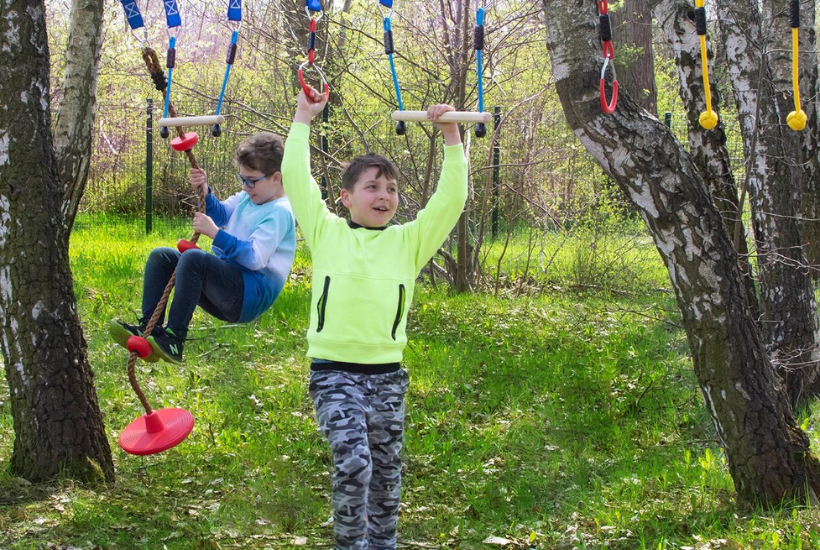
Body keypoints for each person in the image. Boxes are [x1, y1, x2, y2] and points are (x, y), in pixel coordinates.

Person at [281, 86, 468, 550]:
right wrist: (304, 116)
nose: (384, 195)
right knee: (354, 462)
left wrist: (451, 135)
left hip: (387, 377)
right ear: (345, 198)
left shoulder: (408, 242)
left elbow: (451, 200)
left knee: (385, 476)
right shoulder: (325, 232)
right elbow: (295, 176)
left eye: (391, 189)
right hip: (333, 373)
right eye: (372, 187)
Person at [109, 131, 296, 364]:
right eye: (242, 179)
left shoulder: (280, 212)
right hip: (230, 284)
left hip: (248, 296)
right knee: (162, 257)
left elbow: (254, 258)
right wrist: (205, 190)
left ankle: (174, 339)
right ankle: (149, 329)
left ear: (276, 178)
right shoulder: (249, 197)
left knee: (194, 259)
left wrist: (215, 234)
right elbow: (220, 214)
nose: (246, 186)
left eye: (251, 180)